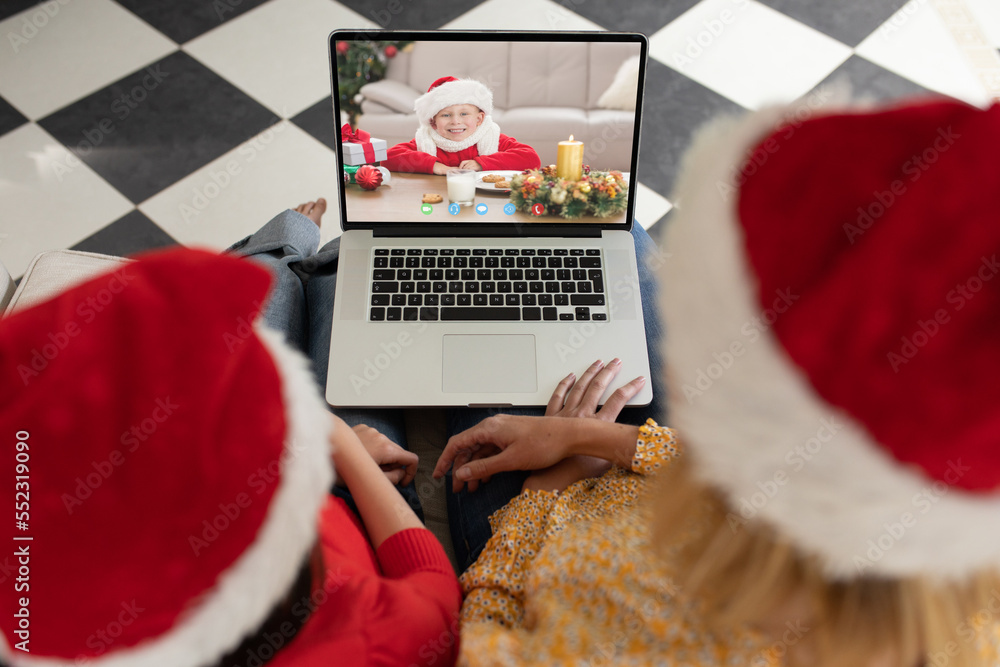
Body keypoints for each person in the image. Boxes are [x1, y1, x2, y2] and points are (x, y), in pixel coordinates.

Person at [432, 97, 1000, 665]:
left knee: (485, 318)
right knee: (610, 224)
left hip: (543, 528)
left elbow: (483, 642)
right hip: (624, 472)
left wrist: (544, 491)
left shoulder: (595, 582)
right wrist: (585, 438)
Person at [0, 246, 460, 667]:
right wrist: (334, 436)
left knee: (288, 284)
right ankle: (307, 248)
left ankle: (294, 244)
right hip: (351, 498)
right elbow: (433, 585)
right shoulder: (373, 638)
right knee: (338, 285)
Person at [226, 195, 667, 575]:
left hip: (323, 504)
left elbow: (490, 593)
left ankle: (299, 245)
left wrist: (562, 475)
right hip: (639, 487)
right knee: (613, 225)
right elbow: (717, 468)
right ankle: (312, 250)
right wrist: (588, 440)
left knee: (276, 284)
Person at [381, 76, 541, 175]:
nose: (456, 121)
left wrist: (481, 163)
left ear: (479, 119)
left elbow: (531, 158)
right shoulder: (427, 141)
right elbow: (387, 159)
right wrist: (436, 166)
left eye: (464, 114)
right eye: (445, 115)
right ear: (433, 122)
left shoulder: (490, 136)